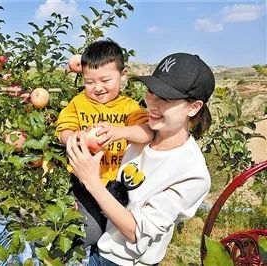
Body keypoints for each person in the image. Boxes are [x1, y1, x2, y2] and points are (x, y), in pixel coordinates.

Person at [66, 52, 215, 265]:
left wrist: (91, 181)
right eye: (151, 92)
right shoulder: (140, 137)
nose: (152, 104)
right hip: (100, 248)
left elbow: (137, 232)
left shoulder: (192, 173)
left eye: (165, 98)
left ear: (194, 107)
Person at [56, 39, 154, 247]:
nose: (97, 88)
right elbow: (64, 130)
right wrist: (77, 138)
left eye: (105, 80)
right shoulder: (79, 102)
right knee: (89, 233)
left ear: (123, 75)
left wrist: (119, 132)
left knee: (115, 235)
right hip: (83, 182)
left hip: (117, 186)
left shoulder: (130, 107)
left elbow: (147, 132)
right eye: (89, 82)